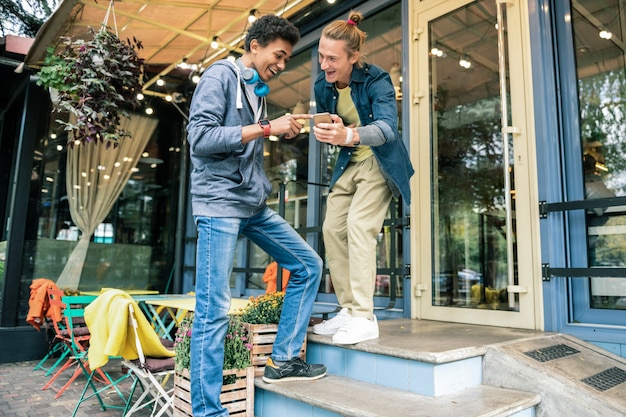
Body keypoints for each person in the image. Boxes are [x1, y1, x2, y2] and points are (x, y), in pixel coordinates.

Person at [186, 14, 327, 417]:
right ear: (255, 46)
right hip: (219, 206)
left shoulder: (256, 91)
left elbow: (246, 141)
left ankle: (282, 360)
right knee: (213, 309)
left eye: (286, 58)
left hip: (251, 204)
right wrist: (265, 129)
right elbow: (200, 138)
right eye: (278, 55)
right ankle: (207, 412)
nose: (282, 65)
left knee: (307, 265)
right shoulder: (219, 78)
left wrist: (282, 131)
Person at [311, 11, 414, 344]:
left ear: (353, 57)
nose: (324, 64)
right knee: (332, 229)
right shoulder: (322, 86)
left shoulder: (376, 80)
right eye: (321, 56)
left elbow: (387, 129)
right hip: (348, 163)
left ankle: (364, 316)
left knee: (359, 226)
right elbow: (332, 121)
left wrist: (350, 137)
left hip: (378, 161)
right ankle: (347, 309)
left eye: (332, 58)